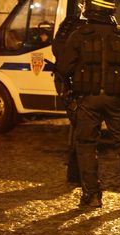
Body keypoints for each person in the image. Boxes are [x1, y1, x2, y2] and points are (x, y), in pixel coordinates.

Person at [57, 0, 120, 207]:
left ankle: (92, 194)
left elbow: (65, 68)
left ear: (90, 9)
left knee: (86, 144)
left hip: (87, 99)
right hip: (117, 98)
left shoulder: (78, 35)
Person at [52, 5, 86, 185]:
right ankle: (77, 173)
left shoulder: (70, 23)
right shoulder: (74, 24)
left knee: (79, 125)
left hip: (69, 82)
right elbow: (59, 50)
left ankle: (76, 172)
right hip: (71, 83)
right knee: (81, 126)